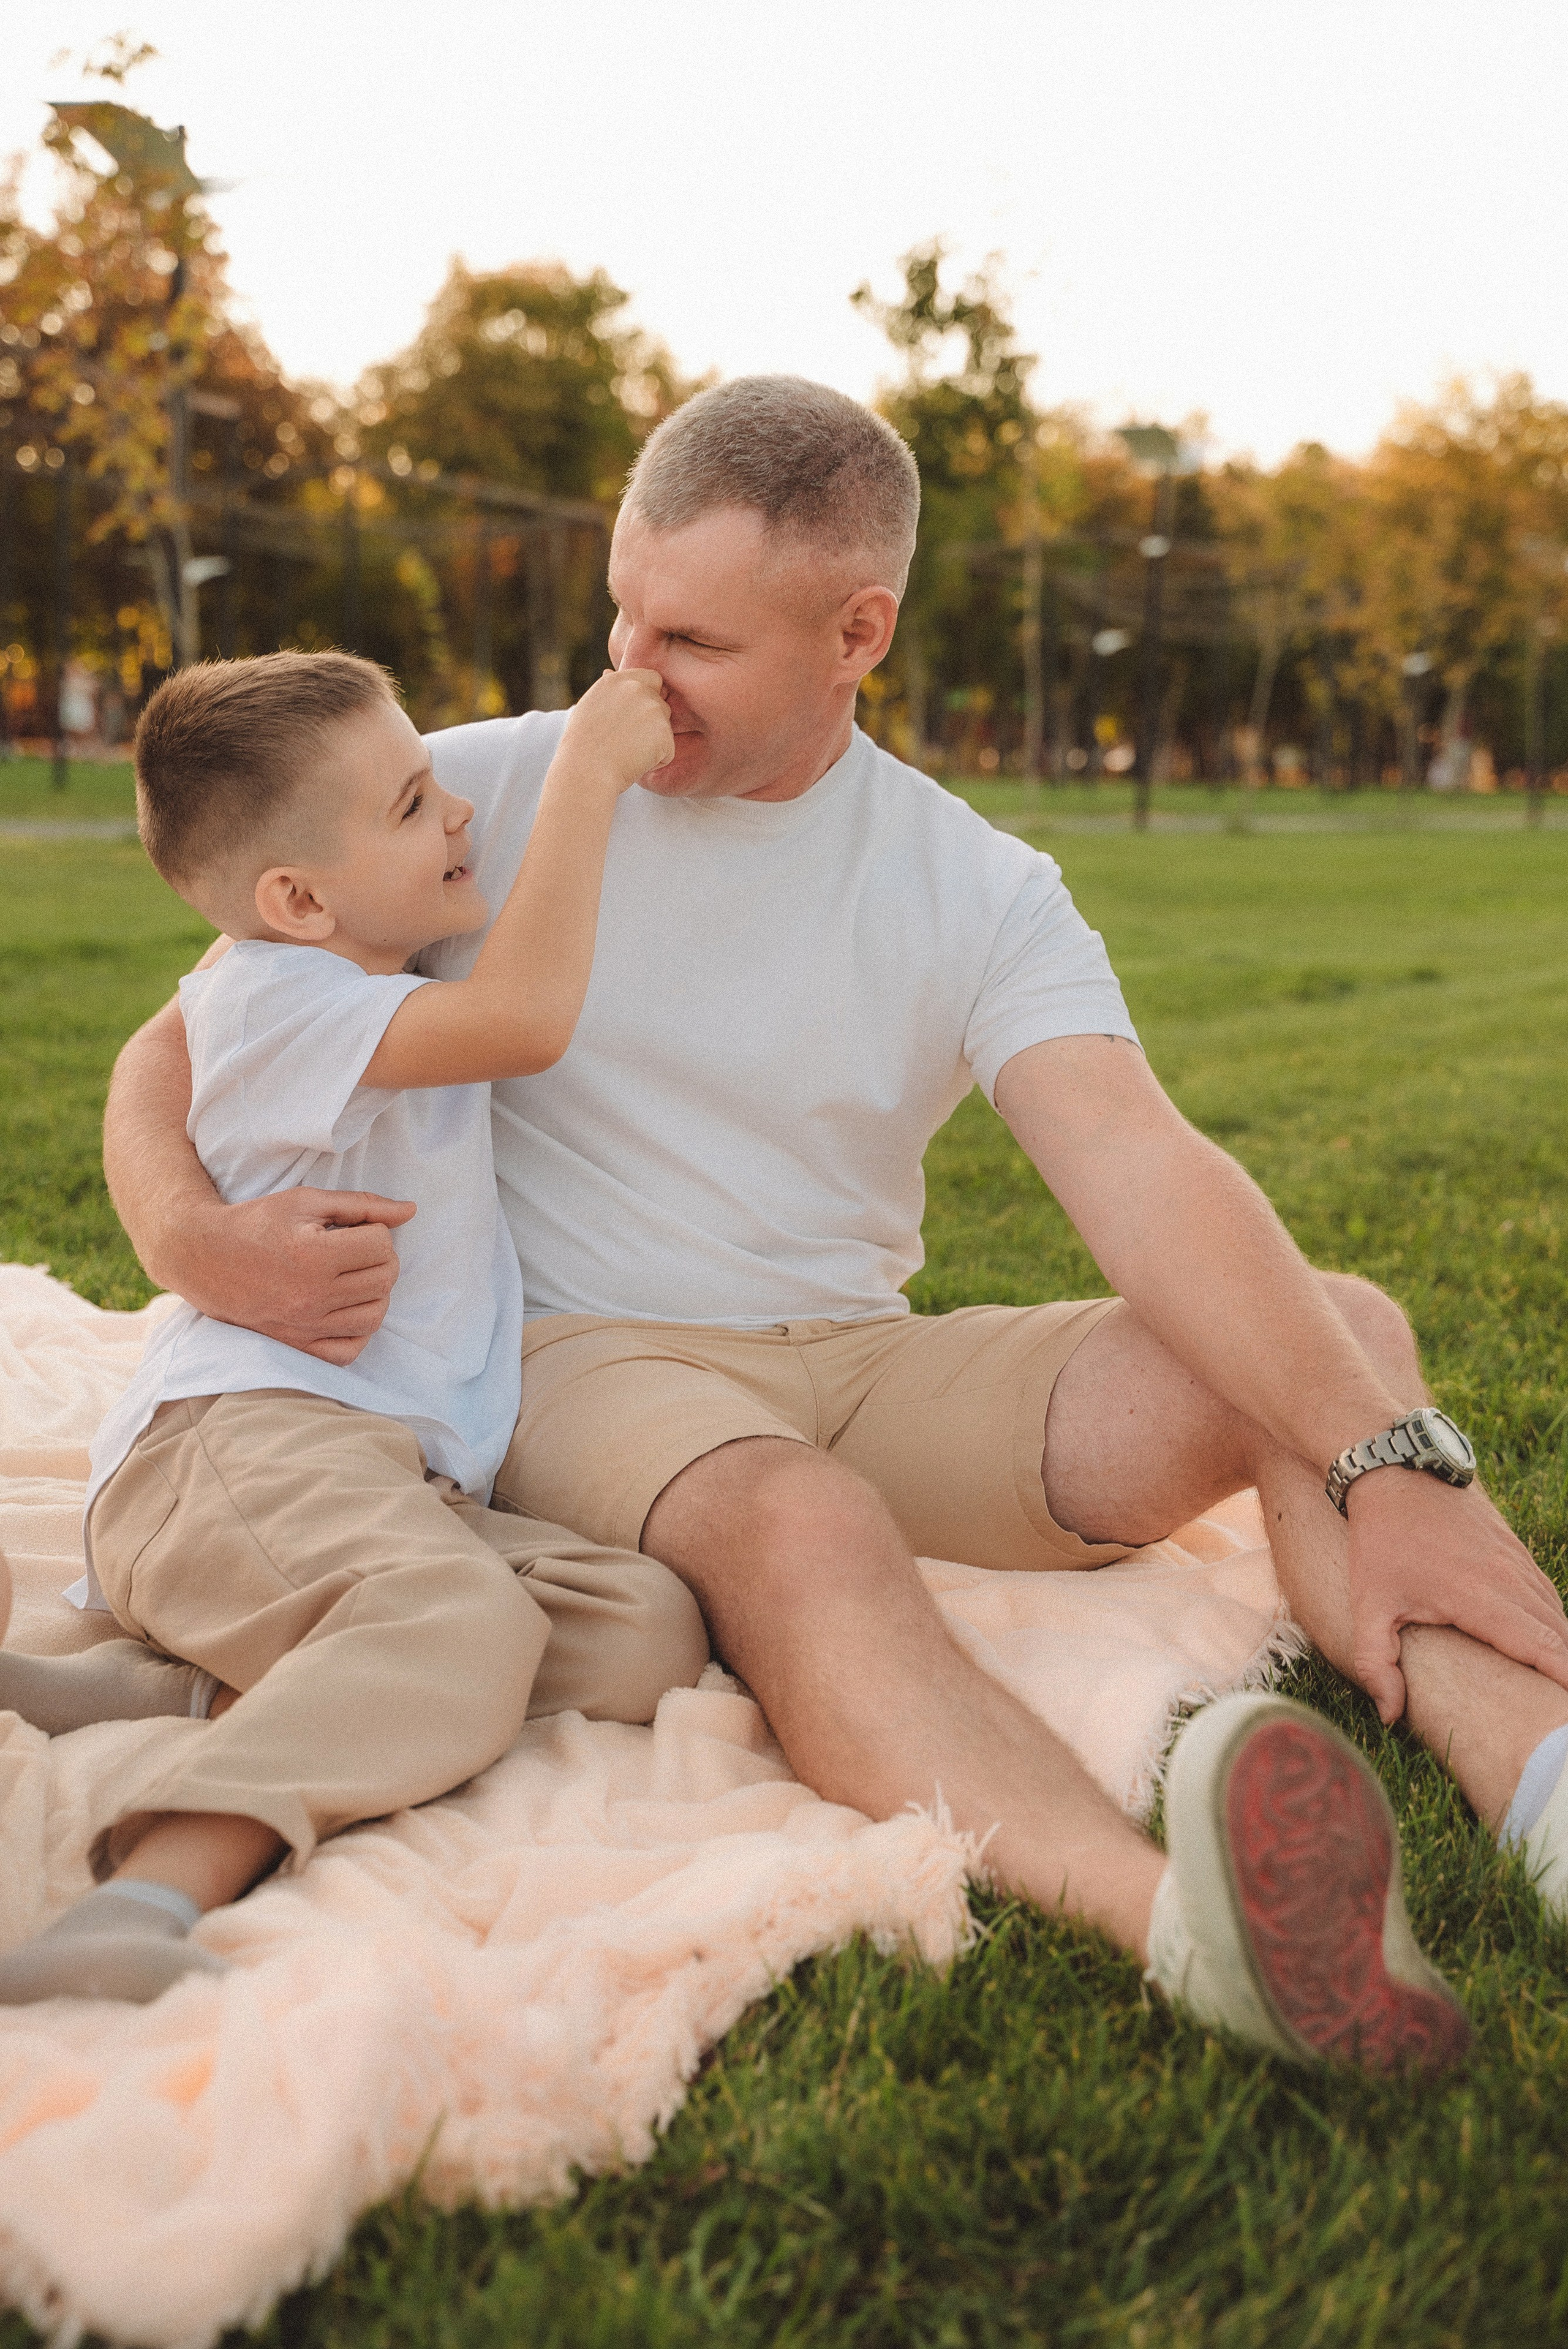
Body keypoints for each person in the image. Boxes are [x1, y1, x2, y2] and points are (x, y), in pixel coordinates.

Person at [96, 379, 1568, 2069]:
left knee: (1340, 1337)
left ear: (856, 631)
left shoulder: (975, 883)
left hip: (862, 1357)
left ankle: (1545, 1789)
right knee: (797, 1518)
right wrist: (194, 1240)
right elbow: (181, 1039)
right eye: (623, 614)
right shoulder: (485, 791)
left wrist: (1388, 1460)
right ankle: (1176, 1922)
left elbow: (1139, 1163)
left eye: (693, 641)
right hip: (585, 1357)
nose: (632, 670)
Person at [0, 650, 707, 2005]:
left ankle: (169, 1693)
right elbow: (526, 1018)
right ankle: (151, 1887)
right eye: (411, 805)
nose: (458, 814)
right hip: (235, 1447)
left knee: (640, 1627)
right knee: (456, 1619)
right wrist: (587, 774)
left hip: (376, 1468)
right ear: (297, 901)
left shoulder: (360, 975)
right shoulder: (274, 999)